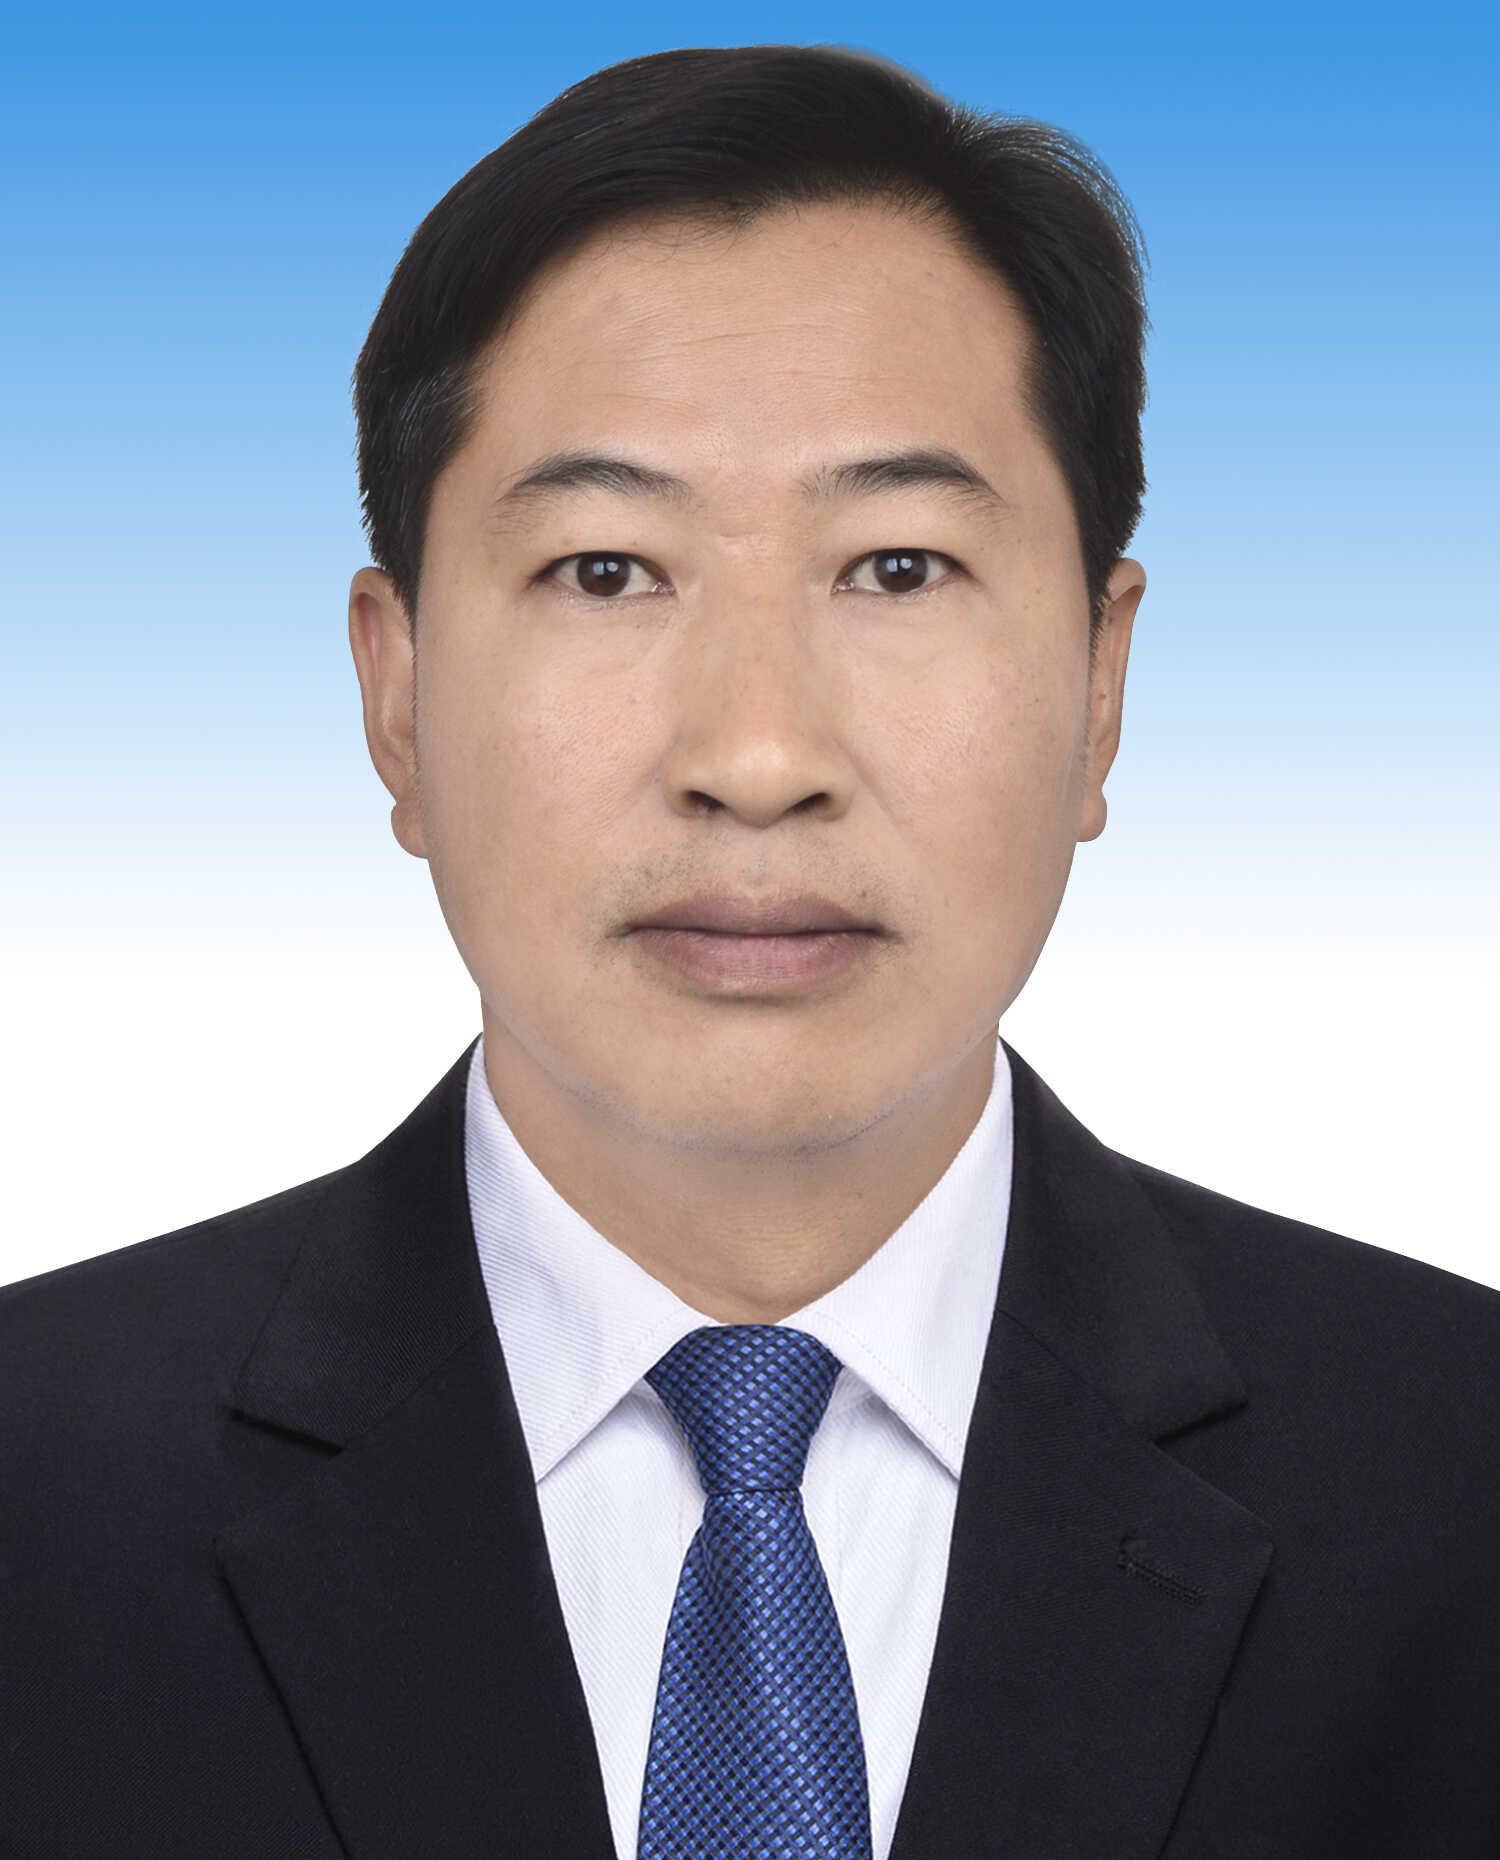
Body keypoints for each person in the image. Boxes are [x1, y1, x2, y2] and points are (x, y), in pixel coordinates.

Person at [3, 41, 1498, 1860]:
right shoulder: (38, 1483)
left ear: (1102, 685)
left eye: (897, 568)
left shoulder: (1458, 1471)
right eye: (607, 570)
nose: (760, 755)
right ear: (396, 697)